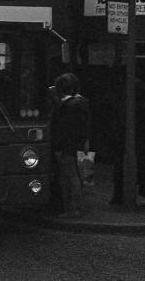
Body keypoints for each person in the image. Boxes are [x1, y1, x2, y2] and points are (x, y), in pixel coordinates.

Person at [110, 80, 145, 208]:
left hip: (137, 145)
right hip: (144, 146)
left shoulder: (133, 107)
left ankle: (119, 197)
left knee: (124, 171)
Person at [51, 72, 90, 218]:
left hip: (68, 146)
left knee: (69, 177)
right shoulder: (83, 102)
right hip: (83, 143)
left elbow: (62, 129)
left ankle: (71, 209)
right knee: (83, 176)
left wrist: (58, 147)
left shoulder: (65, 107)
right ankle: (79, 207)